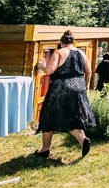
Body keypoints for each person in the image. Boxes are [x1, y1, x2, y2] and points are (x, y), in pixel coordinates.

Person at [33, 30, 95, 158]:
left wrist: (41, 66)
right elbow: (88, 71)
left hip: (61, 86)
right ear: (74, 42)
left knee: (49, 116)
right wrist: (85, 85)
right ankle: (83, 140)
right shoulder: (81, 53)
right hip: (78, 86)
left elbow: (50, 70)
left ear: (61, 43)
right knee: (72, 117)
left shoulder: (59, 52)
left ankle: (45, 149)